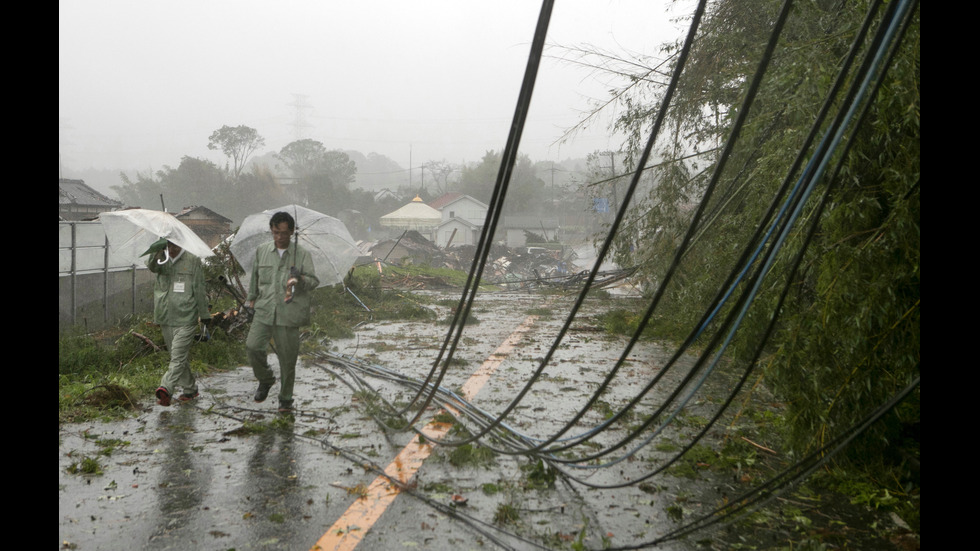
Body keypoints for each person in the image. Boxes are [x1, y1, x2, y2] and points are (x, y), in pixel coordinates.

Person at [245, 211, 319, 413]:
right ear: (271, 230)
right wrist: (250, 302)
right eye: (275, 232)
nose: (279, 237)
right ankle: (266, 379)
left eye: (284, 233)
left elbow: (313, 281)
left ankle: (285, 399)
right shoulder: (262, 251)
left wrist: (301, 279)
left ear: (292, 232)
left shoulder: (302, 254)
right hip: (264, 309)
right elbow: (255, 279)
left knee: (288, 359)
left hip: (289, 312)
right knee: (253, 347)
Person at [146, 239, 210, 407]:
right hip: (165, 315)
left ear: (182, 243)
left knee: (177, 356)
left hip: (186, 316)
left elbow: (199, 288)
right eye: (168, 245)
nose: (171, 249)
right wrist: (157, 251)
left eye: (174, 245)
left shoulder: (192, 260)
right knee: (177, 357)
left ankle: (165, 388)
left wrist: (204, 315)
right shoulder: (162, 258)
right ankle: (190, 389)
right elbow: (152, 267)